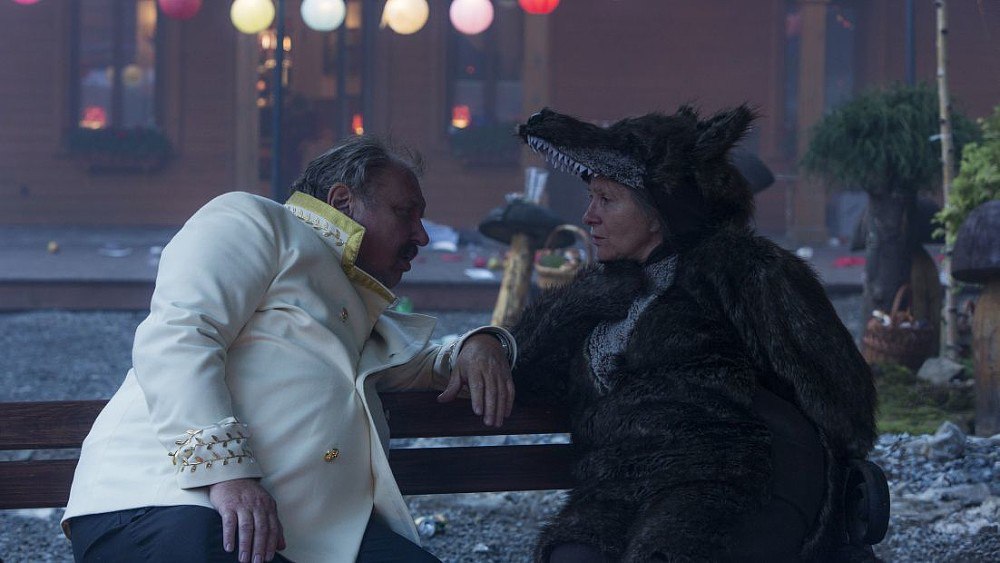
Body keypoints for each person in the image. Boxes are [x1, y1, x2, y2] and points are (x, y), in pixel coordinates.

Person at [61, 135, 517, 563]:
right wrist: (227, 474)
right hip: (171, 501)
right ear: (343, 202)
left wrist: (479, 343)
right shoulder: (254, 220)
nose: (422, 236)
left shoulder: (362, 313)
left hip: (303, 535)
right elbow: (180, 335)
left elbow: (425, 360)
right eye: (405, 213)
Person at [511, 106, 878, 561]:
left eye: (607, 199)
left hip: (727, 481)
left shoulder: (742, 271)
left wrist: (832, 506)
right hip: (616, 489)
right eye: (591, 198)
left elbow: (842, 395)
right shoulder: (594, 293)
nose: (589, 216)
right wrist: (487, 343)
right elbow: (526, 372)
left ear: (657, 212)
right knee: (573, 556)